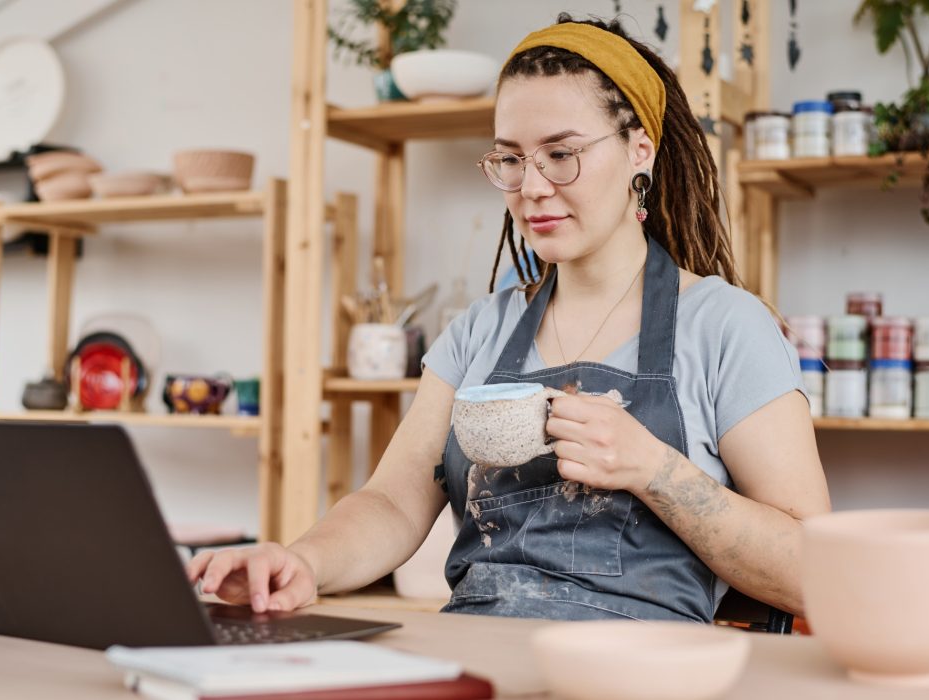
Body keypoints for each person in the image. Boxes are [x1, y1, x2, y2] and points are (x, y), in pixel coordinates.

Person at [189, 14, 830, 623]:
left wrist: (653, 469)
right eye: (512, 159)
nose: (533, 186)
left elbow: (814, 572)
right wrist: (301, 560)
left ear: (640, 149)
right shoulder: (479, 331)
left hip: (636, 671)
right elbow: (391, 503)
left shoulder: (725, 327)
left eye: (561, 153)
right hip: (480, 650)